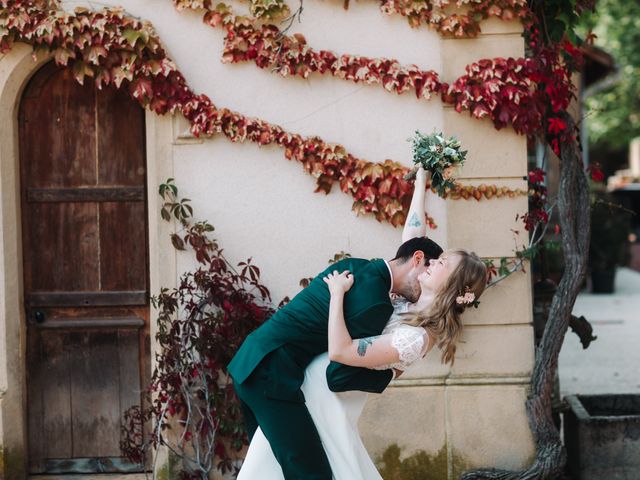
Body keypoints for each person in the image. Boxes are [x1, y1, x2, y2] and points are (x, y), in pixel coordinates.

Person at [233, 168, 487, 479]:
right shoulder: (408, 299)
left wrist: (337, 294)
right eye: (432, 259)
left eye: (443, 263)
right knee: (274, 467)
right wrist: (421, 184)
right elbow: (414, 240)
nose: (433, 262)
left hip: (329, 396)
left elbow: (341, 353)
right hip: (306, 384)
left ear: (456, 288)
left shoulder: (416, 336)